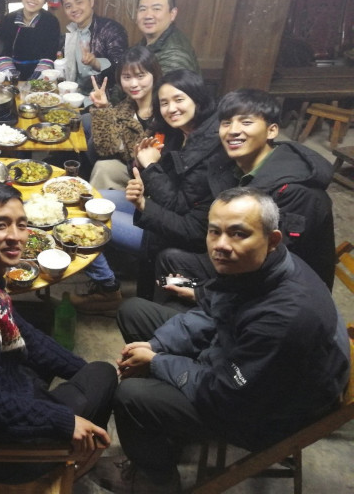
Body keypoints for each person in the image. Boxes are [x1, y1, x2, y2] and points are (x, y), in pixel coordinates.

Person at [92, 188, 350, 493]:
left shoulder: (285, 318)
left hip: (267, 411)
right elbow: (213, 312)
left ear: (272, 239)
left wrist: (159, 362)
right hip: (238, 361)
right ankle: (164, 422)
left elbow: (226, 391)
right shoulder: (256, 265)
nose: (221, 245)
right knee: (134, 312)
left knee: (130, 396)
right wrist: (156, 346)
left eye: (239, 233)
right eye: (215, 231)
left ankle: (156, 479)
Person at [0, 182, 117, 485]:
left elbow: (26, 335)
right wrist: (64, 421)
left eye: (21, 224)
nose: (15, 236)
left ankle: (76, 439)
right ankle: (75, 456)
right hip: (2, 447)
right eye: (0, 225)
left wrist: (81, 371)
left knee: (90, 372)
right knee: (105, 375)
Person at [155, 88, 336, 310]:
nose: (233, 131)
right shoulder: (232, 169)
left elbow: (271, 269)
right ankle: (165, 321)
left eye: (246, 122)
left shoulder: (296, 192)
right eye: (226, 123)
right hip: (240, 267)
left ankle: (179, 324)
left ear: (271, 130)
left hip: (279, 299)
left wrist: (201, 293)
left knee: (157, 304)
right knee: (169, 261)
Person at [77, 69, 220, 307]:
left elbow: (178, 205)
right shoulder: (176, 133)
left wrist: (151, 167)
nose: (171, 108)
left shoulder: (208, 146)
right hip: (153, 207)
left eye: (179, 99)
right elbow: (155, 178)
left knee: (85, 219)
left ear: (197, 98)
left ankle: (107, 289)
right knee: (89, 200)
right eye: (164, 103)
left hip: (167, 231)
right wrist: (139, 163)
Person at [83, 46, 162, 190]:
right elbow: (106, 150)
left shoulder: (164, 109)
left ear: (154, 75)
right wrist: (103, 109)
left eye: (140, 76)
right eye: (127, 77)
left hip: (157, 179)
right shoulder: (124, 108)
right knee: (103, 166)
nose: (133, 84)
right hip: (132, 171)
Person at [61, 0, 128, 93]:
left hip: (105, 96)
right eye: (68, 6)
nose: (74, 9)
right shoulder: (70, 33)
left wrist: (95, 63)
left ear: (91, 1)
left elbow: (121, 67)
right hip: (76, 95)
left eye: (79, 2)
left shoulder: (111, 29)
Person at [0, 0, 61, 80]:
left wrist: (33, 82)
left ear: (45, 0)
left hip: (40, 78)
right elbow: (2, 52)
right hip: (10, 76)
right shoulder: (8, 20)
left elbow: (49, 55)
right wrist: (14, 79)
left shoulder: (51, 22)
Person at [136, 0, 200, 75]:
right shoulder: (148, 41)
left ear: (172, 14)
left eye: (156, 9)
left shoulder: (175, 56)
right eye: (142, 9)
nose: (148, 16)